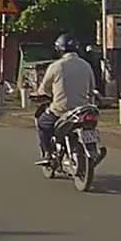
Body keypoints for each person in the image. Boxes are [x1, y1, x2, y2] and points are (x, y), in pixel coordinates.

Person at [33, 33, 96, 165]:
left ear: (59, 49)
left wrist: (42, 95)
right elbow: (91, 89)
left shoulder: (56, 66)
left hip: (61, 111)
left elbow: (44, 90)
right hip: (83, 110)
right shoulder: (86, 65)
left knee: (42, 123)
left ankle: (48, 154)